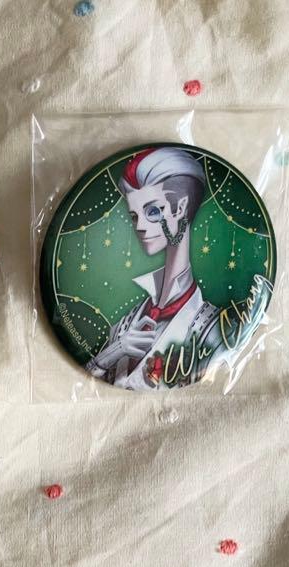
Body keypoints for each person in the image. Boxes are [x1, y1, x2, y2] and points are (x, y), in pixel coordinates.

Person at [87, 146, 233, 389]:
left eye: (153, 211)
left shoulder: (213, 328)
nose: (140, 226)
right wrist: (111, 353)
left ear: (180, 208)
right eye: (135, 216)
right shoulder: (124, 325)